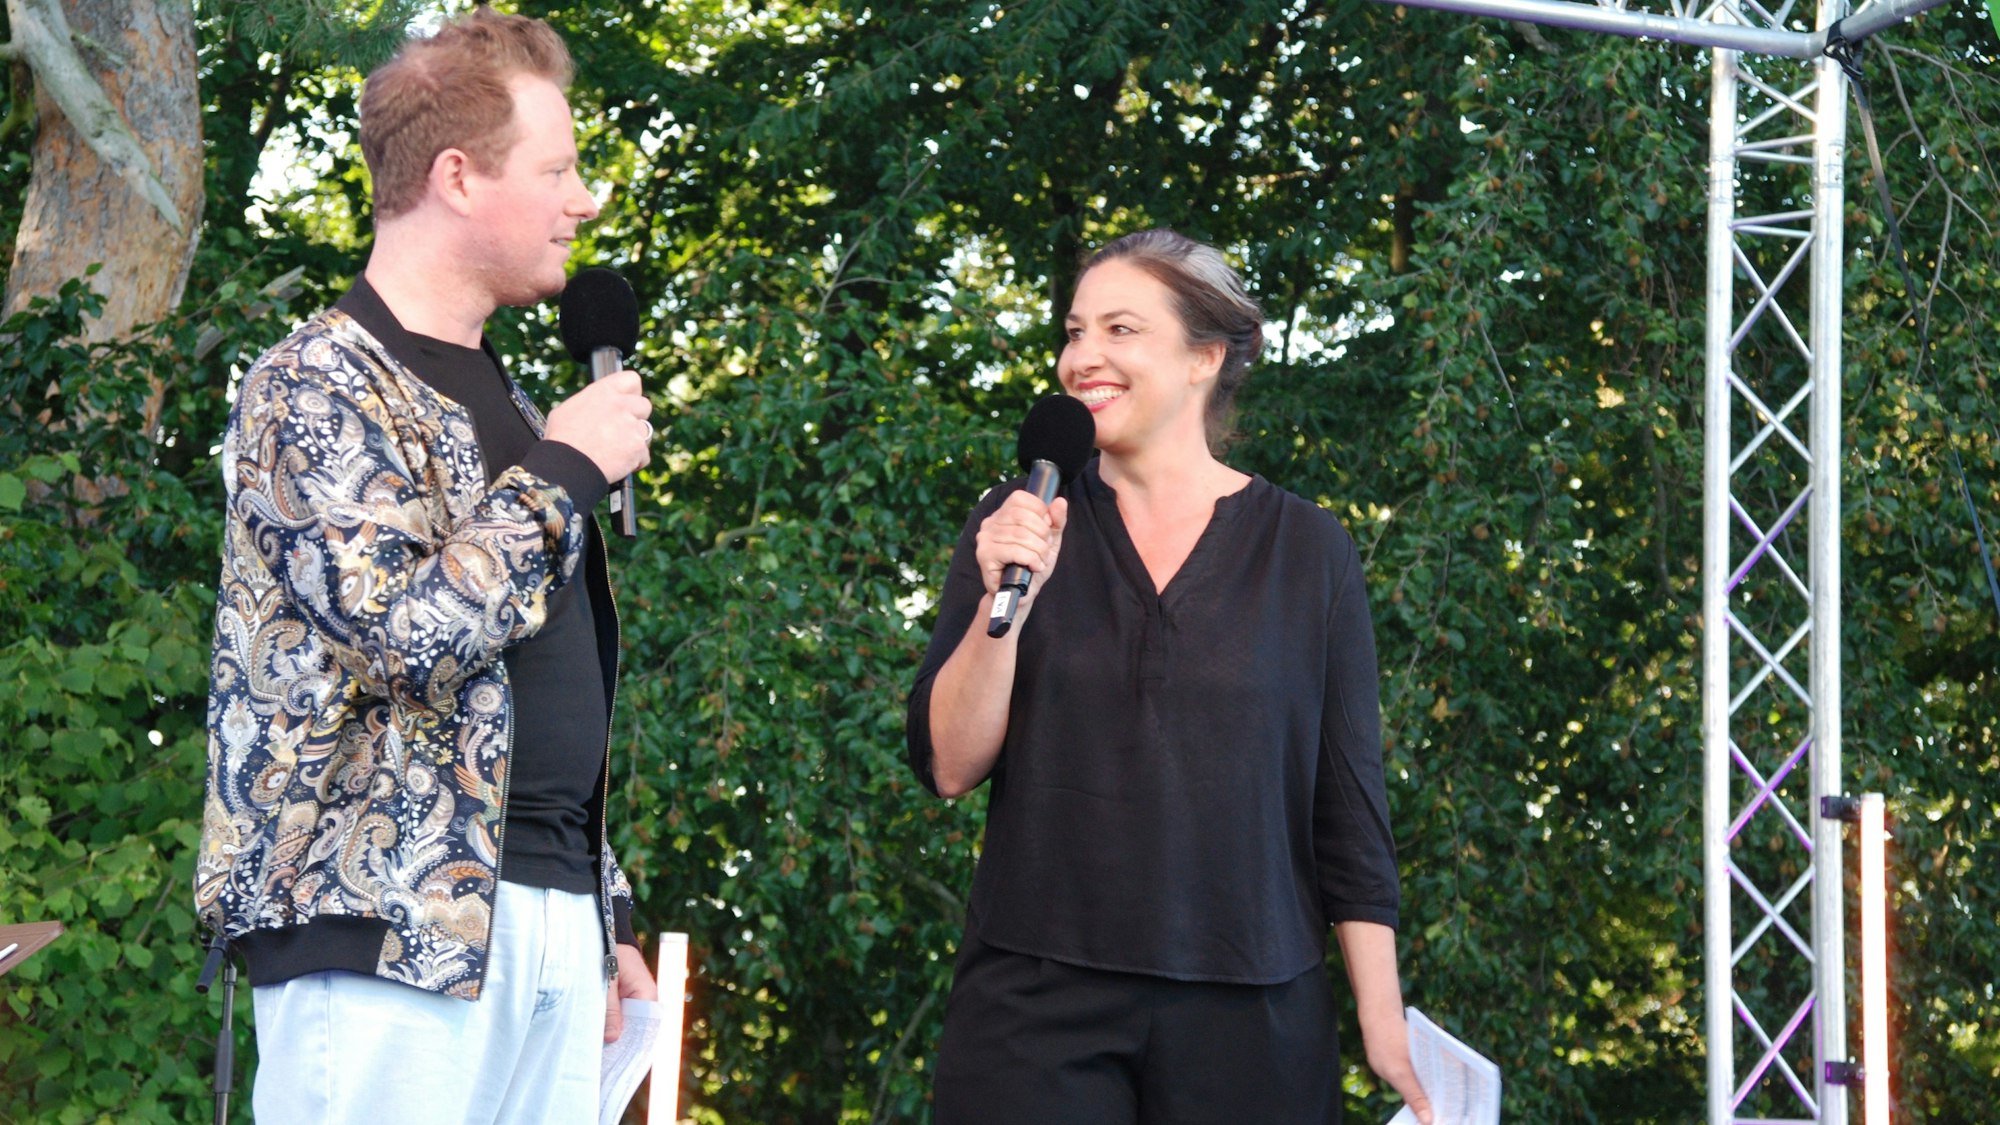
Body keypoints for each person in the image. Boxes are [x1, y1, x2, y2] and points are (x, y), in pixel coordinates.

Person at [194, 9, 658, 1121]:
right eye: (557, 169)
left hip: (546, 922)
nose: (585, 200)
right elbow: (404, 636)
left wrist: (605, 910)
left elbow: (534, 685)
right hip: (379, 933)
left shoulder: (513, 402)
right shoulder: (314, 383)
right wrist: (563, 474)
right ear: (457, 176)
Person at [905, 228, 1435, 1124]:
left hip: (1253, 1013)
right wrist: (1006, 602)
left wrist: (1383, 1021)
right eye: (1074, 331)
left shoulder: (1310, 549)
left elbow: (1349, 807)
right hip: (1034, 1004)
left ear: (1204, 357)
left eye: (1120, 329)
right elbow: (948, 764)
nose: (1083, 357)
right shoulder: (1016, 520)